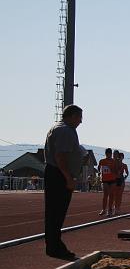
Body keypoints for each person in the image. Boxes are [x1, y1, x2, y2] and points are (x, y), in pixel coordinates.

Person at [43, 104, 84, 260]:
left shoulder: (60, 128)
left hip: (56, 173)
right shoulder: (65, 130)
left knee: (55, 213)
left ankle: (54, 245)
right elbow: (61, 157)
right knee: (56, 213)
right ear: (72, 116)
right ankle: (54, 247)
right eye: (80, 117)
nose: (81, 121)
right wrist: (68, 178)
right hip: (58, 175)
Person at [98, 148, 117, 216]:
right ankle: (103, 209)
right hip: (105, 180)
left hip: (112, 180)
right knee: (105, 195)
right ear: (105, 154)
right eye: (107, 153)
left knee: (111, 195)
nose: (108, 155)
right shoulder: (102, 161)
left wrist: (113, 170)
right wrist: (99, 173)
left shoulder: (114, 161)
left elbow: (116, 170)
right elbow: (99, 167)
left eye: (109, 154)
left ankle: (109, 210)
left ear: (111, 154)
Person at [113, 151, 129, 215]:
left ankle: (118, 208)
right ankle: (115, 207)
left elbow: (127, 172)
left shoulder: (124, 165)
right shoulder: (115, 163)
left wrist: (125, 177)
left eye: (122, 157)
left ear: (123, 158)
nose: (120, 158)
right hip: (115, 179)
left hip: (121, 180)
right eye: (120, 157)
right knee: (115, 195)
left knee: (119, 195)